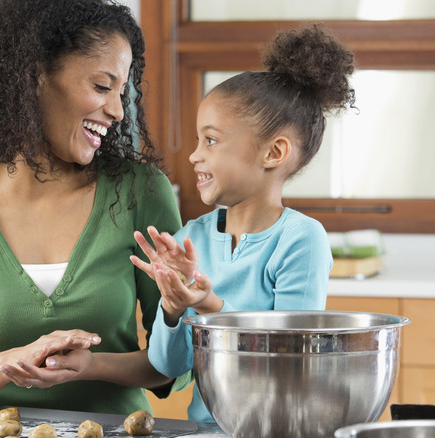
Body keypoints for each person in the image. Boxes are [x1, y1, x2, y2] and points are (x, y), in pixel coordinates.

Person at [0, 0, 187, 416]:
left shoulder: (140, 193)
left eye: (122, 92)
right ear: (35, 77)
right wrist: (14, 362)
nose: (119, 111)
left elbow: (177, 366)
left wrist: (92, 366)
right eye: (102, 87)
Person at [130, 24, 356, 423]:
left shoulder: (300, 240)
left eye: (211, 140)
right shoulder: (190, 240)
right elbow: (169, 366)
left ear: (274, 152)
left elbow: (287, 361)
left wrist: (209, 306)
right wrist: (171, 308)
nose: (194, 156)